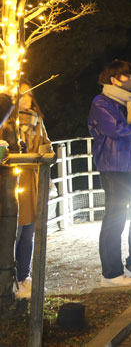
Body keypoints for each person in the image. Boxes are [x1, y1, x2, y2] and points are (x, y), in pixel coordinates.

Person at [88, 60, 131, 287]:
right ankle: (110, 273)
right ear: (114, 79)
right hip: (115, 165)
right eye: (129, 76)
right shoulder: (101, 102)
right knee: (115, 218)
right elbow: (115, 129)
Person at [1, 80, 53, 299]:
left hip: (32, 182)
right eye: (20, 94)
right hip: (13, 183)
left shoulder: (36, 120)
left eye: (27, 93)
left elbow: (46, 147)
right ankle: (12, 281)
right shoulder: (6, 123)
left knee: (29, 233)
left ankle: (25, 277)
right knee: (14, 232)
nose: (25, 97)